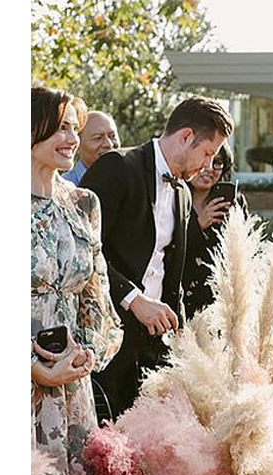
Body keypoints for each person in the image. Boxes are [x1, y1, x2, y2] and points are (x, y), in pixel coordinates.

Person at [81, 97, 233, 417]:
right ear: (186, 136)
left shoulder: (183, 193)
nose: (209, 165)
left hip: (154, 348)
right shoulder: (116, 167)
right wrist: (135, 301)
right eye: (208, 153)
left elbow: (168, 269)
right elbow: (85, 251)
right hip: (106, 340)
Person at [31, 87, 123, 475]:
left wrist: (87, 353)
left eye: (74, 127)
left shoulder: (84, 204)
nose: (72, 137)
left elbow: (97, 296)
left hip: (72, 387)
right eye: (60, 126)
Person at [182, 141, 249, 316]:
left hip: (220, 302)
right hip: (181, 298)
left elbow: (244, 251)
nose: (210, 168)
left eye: (217, 163)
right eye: (206, 159)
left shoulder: (233, 203)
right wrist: (198, 224)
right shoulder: (175, 197)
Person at [63, 110, 120, 186]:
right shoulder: (64, 188)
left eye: (112, 136)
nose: (109, 144)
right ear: (78, 145)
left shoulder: (131, 180)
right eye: (98, 138)